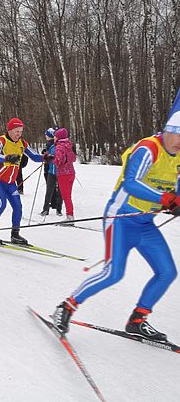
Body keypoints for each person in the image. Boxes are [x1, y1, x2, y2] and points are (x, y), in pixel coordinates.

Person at [52, 113, 180, 342]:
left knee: (167, 272)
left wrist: (175, 202)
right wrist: (164, 198)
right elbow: (131, 183)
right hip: (120, 218)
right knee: (113, 273)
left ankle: (137, 320)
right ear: (168, 130)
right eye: (177, 133)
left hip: (145, 224)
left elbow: (175, 191)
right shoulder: (149, 148)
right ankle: (66, 307)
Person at [0, 118, 50, 245]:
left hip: (10, 182)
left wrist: (45, 157)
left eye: (20, 131)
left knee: (18, 207)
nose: (18, 134)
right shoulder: (1, 140)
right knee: (1, 204)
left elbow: (34, 156)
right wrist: (8, 158)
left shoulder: (22, 143)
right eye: (16, 131)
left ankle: (15, 234)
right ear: (9, 130)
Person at [53, 127, 76, 222]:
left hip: (63, 174)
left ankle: (70, 216)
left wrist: (50, 159)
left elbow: (58, 161)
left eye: (55, 136)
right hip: (71, 173)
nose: (54, 138)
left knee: (65, 196)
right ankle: (70, 214)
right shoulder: (69, 145)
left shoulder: (59, 147)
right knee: (68, 196)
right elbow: (73, 158)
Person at [40, 128, 63, 216]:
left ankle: (59, 209)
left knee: (60, 191)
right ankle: (45, 210)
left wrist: (54, 158)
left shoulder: (62, 147)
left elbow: (63, 159)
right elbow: (47, 157)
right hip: (51, 171)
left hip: (60, 172)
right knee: (49, 191)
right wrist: (46, 157)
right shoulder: (52, 147)